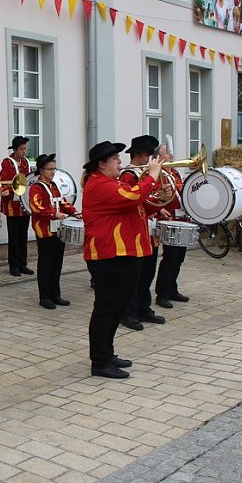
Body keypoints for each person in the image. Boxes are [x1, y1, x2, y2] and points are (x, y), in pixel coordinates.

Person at [82, 141, 162, 379]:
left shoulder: (113, 183)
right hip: (108, 256)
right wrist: (153, 177)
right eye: (115, 158)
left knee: (117, 308)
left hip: (123, 254)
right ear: (102, 164)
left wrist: (159, 201)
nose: (119, 161)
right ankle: (100, 361)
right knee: (106, 309)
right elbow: (132, 196)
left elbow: (134, 207)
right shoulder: (99, 185)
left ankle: (108, 353)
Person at [118, 136, 167, 330]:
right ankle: (128, 313)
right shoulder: (129, 175)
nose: (150, 160)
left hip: (146, 230)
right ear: (139, 155)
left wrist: (158, 204)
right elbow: (132, 199)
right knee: (133, 277)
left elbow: (143, 202)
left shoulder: (142, 173)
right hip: (134, 233)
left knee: (146, 274)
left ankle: (143, 308)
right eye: (148, 155)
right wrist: (152, 183)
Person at [28, 153, 78, 309]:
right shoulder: (36, 188)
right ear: (41, 170)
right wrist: (54, 214)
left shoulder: (54, 186)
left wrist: (74, 212)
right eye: (50, 169)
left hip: (58, 231)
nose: (53, 172)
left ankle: (56, 294)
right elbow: (36, 207)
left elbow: (63, 202)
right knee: (45, 265)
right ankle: (45, 297)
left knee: (57, 264)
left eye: (54, 169)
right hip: (44, 231)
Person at [153, 146, 191, 308]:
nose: (172, 154)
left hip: (182, 219)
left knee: (179, 257)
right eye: (167, 152)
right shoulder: (158, 174)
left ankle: (172, 288)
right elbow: (155, 196)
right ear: (159, 157)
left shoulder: (174, 172)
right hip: (169, 219)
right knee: (170, 257)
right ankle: (161, 294)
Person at [0, 136, 34, 276]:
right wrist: (5, 190)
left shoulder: (26, 162)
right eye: (22, 149)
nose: (24, 151)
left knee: (23, 236)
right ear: (15, 149)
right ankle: (13, 265)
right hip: (12, 205)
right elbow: (3, 180)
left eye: (25, 149)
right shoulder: (7, 162)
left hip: (24, 204)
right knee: (14, 237)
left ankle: (22, 263)